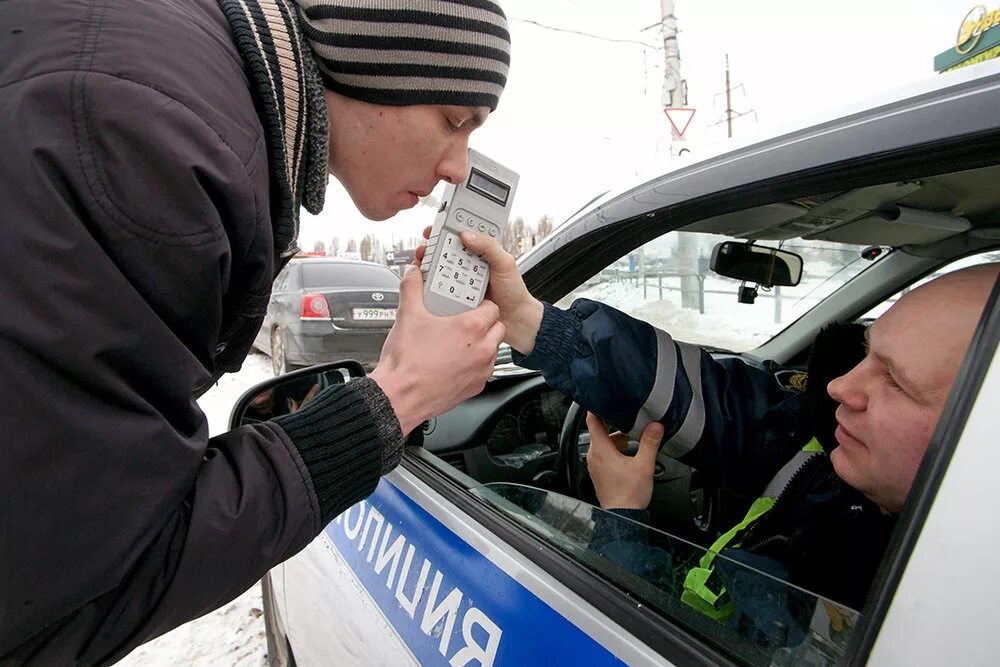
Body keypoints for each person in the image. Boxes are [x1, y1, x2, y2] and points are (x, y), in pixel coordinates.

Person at [0, 0, 510, 663]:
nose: (459, 167)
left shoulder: (176, 83)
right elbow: (66, 594)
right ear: (379, 62)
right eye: (454, 120)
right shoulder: (156, 149)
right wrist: (397, 396)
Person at [442, 231, 999, 642]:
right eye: (865, 354)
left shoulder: (948, 615)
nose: (840, 388)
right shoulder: (821, 444)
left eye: (895, 382)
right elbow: (711, 395)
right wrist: (533, 323)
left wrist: (622, 517)